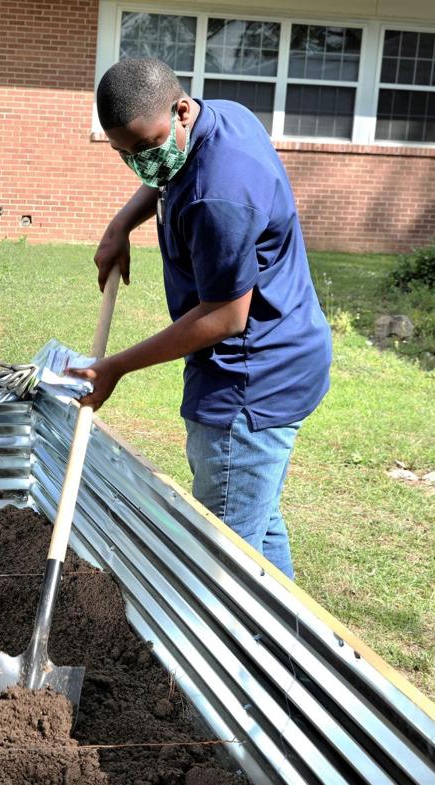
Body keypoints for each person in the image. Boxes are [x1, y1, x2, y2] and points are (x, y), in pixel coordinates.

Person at [70, 58, 332, 580]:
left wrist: (116, 366)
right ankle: (286, 653)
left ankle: (241, 661)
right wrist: (121, 223)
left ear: (181, 109)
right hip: (284, 351)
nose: (141, 164)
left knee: (221, 557)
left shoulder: (220, 195)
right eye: (125, 155)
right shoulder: (221, 117)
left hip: (251, 380)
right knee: (256, 526)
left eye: (146, 148)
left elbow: (226, 315)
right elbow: (167, 173)